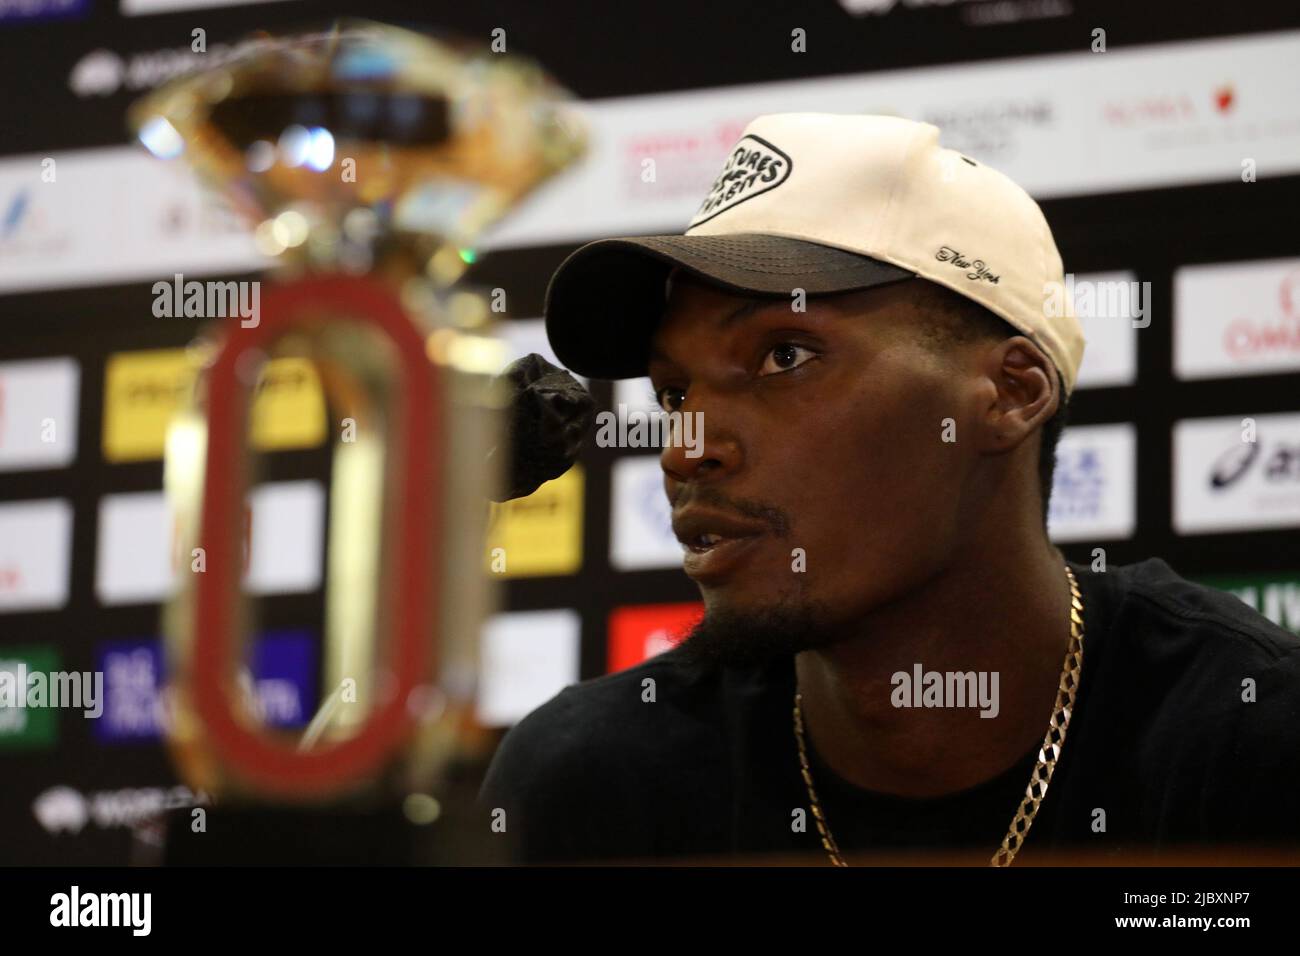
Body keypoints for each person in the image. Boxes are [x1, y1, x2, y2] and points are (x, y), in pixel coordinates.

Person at [477, 113, 1300, 865]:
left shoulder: (1250, 743)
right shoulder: (588, 788)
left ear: (1011, 394)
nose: (686, 451)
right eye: (673, 395)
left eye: (784, 356)